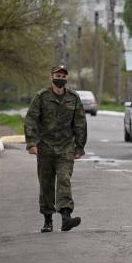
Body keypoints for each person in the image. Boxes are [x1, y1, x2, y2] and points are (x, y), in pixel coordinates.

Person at [24, 65, 87, 233]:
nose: (60, 78)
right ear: (51, 76)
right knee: (46, 184)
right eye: (57, 75)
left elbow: (80, 123)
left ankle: (66, 217)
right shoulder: (41, 97)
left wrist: (79, 146)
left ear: (66, 78)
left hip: (66, 147)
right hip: (45, 147)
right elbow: (31, 119)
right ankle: (47, 219)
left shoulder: (73, 98)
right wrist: (31, 143)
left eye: (63, 76)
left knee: (64, 179)